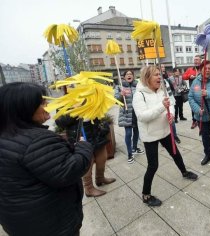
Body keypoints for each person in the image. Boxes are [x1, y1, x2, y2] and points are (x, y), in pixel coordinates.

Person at [0, 82, 93, 235]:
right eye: (42, 103)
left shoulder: (7, 135)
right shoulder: (37, 141)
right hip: (52, 224)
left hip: (21, 220)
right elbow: (70, 171)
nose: (47, 105)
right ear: (24, 108)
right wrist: (83, 146)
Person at [133, 65, 197, 207]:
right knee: (153, 165)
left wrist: (172, 115)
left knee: (176, 153)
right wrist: (162, 106)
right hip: (150, 135)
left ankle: (184, 172)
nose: (159, 77)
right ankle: (146, 195)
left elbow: (171, 103)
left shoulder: (162, 90)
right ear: (147, 77)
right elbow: (142, 117)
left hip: (165, 130)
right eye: (156, 75)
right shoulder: (139, 95)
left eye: (159, 74)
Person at [115, 70, 145, 164]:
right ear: (124, 77)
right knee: (128, 134)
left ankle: (135, 148)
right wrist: (121, 95)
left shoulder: (137, 85)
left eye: (131, 74)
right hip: (126, 113)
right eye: (127, 74)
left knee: (137, 132)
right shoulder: (120, 87)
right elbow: (116, 100)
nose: (129, 75)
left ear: (133, 76)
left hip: (136, 113)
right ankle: (129, 153)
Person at [183, 55, 202, 129]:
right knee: (193, 107)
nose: (196, 61)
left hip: (201, 91)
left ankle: (201, 121)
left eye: (197, 60)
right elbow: (184, 76)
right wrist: (189, 76)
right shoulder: (190, 69)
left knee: (201, 107)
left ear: (200, 61)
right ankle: (194, 121)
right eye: (195, 60)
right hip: (193, 92)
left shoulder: (203, 69)